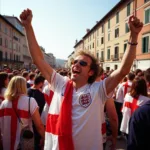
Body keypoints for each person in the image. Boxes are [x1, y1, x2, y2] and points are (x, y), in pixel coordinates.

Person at [20, 9, 143, 150]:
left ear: (91, 72)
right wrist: (28, 27)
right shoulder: (61, 83)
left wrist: (133, 37)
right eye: (74, 62)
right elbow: (39, 59)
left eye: (82, 63)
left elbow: (122, 70)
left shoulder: (98, 90)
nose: (76, 65)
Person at [0, 76, 45, 150]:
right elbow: (39, 125)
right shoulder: (30, 101)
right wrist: (45, 138)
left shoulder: (4, 103)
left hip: (7, 144)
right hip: (24, 142)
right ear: (23, 86)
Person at [27, 75, 46, 150]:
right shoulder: (41, 94)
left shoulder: (27, 90)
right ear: (41, 83)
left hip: (27, 120)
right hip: (38, 119)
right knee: (36, 140)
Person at [115, 72, 135, 138]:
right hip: (130, 103)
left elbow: (118, 94)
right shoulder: (134, 84)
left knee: (120, 118)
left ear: (127, 77)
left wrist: (117, 99)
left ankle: (119, 133)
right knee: (128, 117)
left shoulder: (123, 84)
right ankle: (127, 132)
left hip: (121, 102)